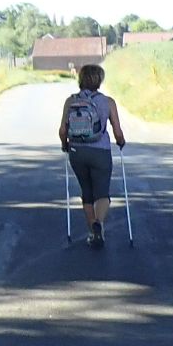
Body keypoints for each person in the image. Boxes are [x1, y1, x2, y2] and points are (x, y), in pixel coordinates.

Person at [59, 62, 126, 247]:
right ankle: (99, 223)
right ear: (99, 80)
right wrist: (121, 142)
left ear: (80, 79)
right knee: (102, 193)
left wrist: (65, 145)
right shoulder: (108, 102)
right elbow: (118, 131)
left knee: (87, 193)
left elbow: (63, 130)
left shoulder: (70, 101)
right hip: (100, 152)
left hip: (77, 152)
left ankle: (92, 234)